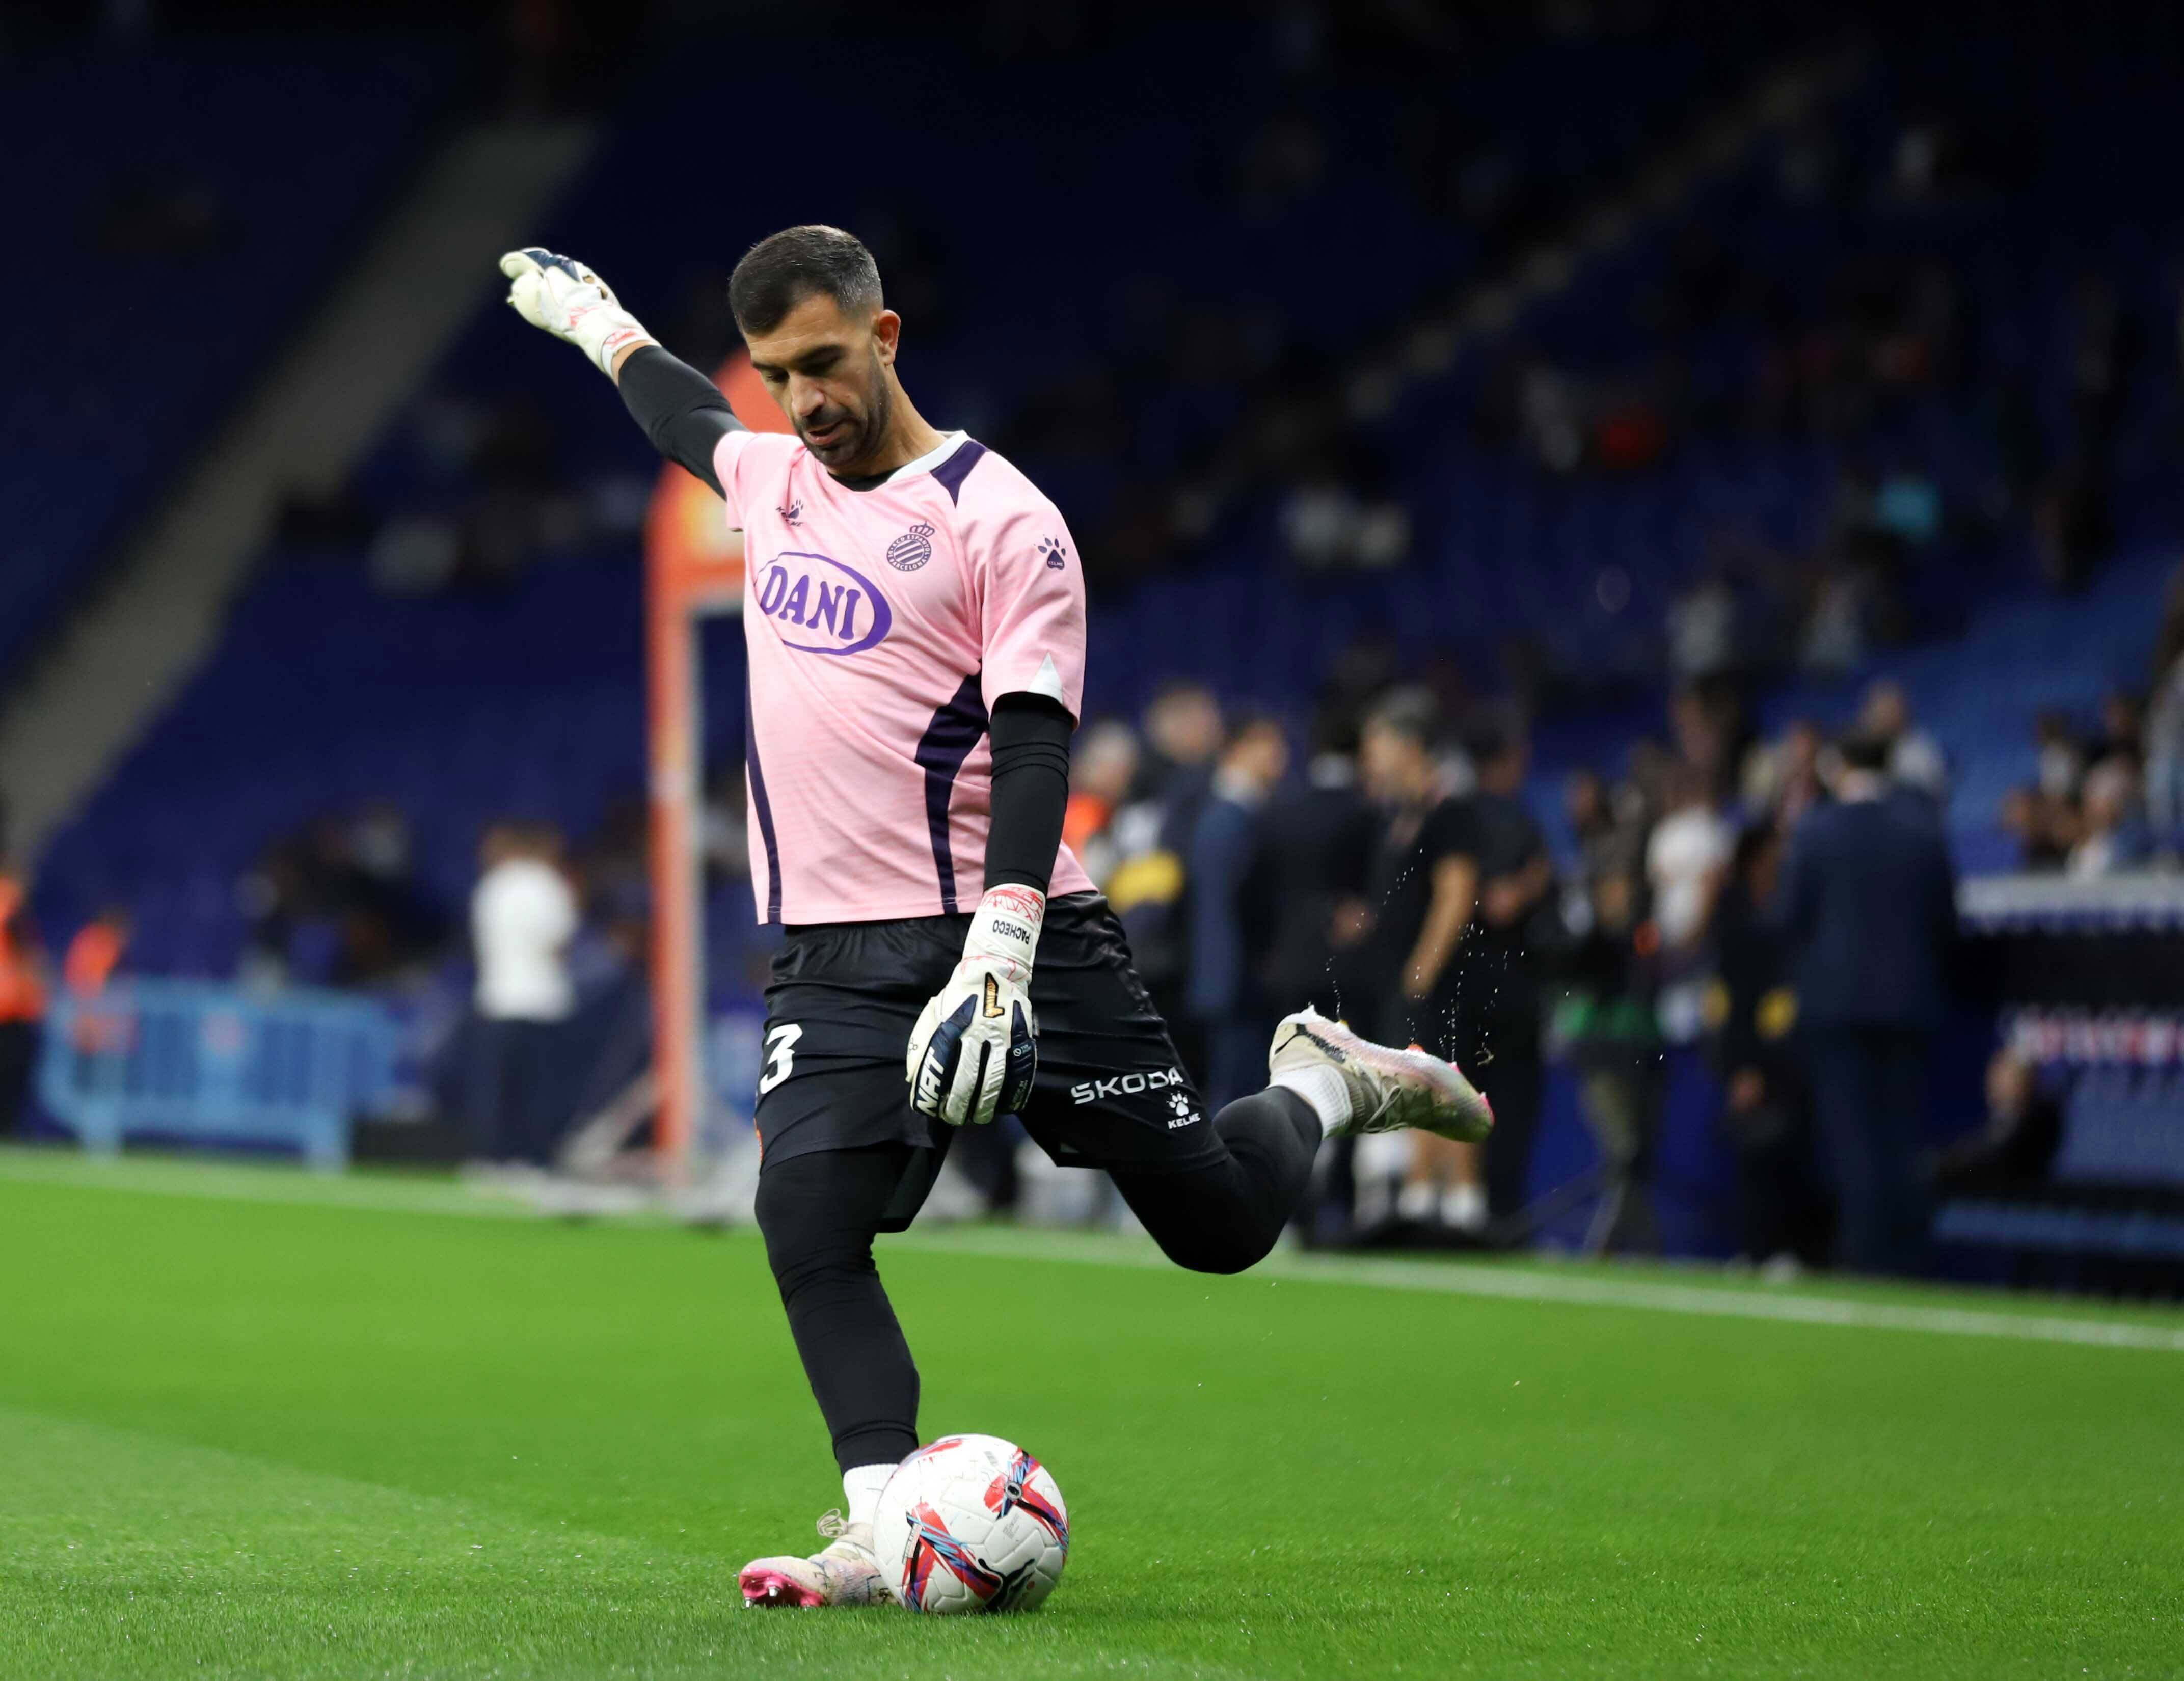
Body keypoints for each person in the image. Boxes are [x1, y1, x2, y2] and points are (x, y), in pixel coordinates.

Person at [498, 231, 1493, 1608]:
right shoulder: (771, 474)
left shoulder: (1002, 519)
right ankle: (877, 1518)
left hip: (1013, 929)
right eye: (782, 376)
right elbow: (685, 413)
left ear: (885, 335)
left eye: (827, 365)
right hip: (836, 948)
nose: (806, 403)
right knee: (804, 1212)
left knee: (1210, 1223)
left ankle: (1321, 1081)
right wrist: (592, 319)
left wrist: (1005, 943)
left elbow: (1035, 748)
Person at [1778, 731, 1957, 1275]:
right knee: (1903, 1138)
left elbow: (1790, 918)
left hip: (1837, 1009)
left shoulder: (1816, 829)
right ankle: (1909, 1260)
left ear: (1839, 765)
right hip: (1908, 1007)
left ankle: (1865, 1260)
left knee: (1854, 1142)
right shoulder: (1923, 829)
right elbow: (1945, 922)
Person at [1186, 717, 1289, 1108]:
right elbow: (1240, 905)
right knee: (1237, 1095)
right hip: (1239, 981)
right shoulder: (1232, 819)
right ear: (1238, 750)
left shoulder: (1224, 815)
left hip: (1227, 979)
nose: (1279, 757)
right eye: (1269, 745)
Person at [468, 822, 578, 1167]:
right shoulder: (550, 885)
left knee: (497, 1089)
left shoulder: (493, 885)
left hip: (499, 997)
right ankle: (535, 1159)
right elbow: (560, 943)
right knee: (539, 1091)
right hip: (543, 1000)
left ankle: (493, 1157)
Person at [0, 862, 45, 1138]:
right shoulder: (10, 909)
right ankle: (7, 1127)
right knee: (13, 1071)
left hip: (16, 1007)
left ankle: (9, 1126)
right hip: (11, 1008)